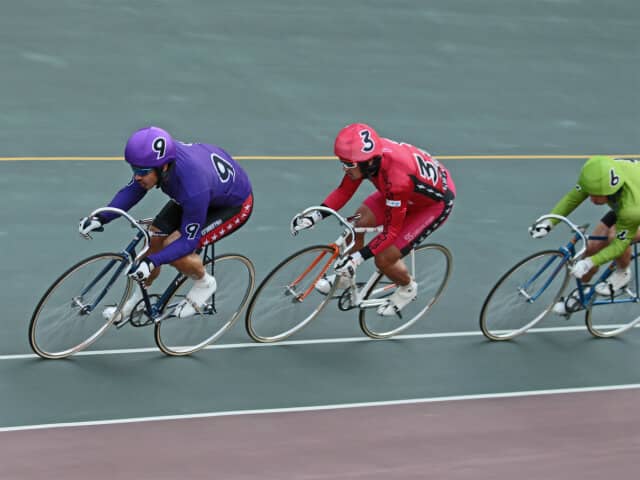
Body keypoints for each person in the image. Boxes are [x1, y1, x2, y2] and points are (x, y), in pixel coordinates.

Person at [79, 126, 253, 321]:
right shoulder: (159, 162)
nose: (137, 176)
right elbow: (134, 189)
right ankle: (138, 301)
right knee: (153, 238)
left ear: (163, 168)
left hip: (232, 205)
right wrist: (101, 217)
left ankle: (205, 283)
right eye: (134, 169)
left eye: (142, 172)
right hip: (205, 189)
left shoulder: (192, 188)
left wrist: (152, 262)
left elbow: (188, 241)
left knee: (173, 247)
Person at [291, 123, 455, 316]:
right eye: (342, 162)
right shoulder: (365, 158)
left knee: (384, 258)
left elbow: (391, 231)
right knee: (356, 224)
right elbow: (344, 191)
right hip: (401, 193)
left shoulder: (396, 179)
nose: (344, 167)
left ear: (369, 163)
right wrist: (315, 215)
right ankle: (345, 278)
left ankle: (407, 288)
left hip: (430, 207)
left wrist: (356, 259)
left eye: (348, 164)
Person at [529, 155, 640, 315]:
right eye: (590, 193)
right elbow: (573, 198)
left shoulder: (631, 210)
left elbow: (619, 244)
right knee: (591, 248)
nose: (591, 199)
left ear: (611, 191)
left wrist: (589, 263)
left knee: (614, 237)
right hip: (627, 201)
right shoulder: (596, 175)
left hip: (634, 208)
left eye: (596, 195)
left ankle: (622, 273)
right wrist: (549, 222)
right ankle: (581, 296)